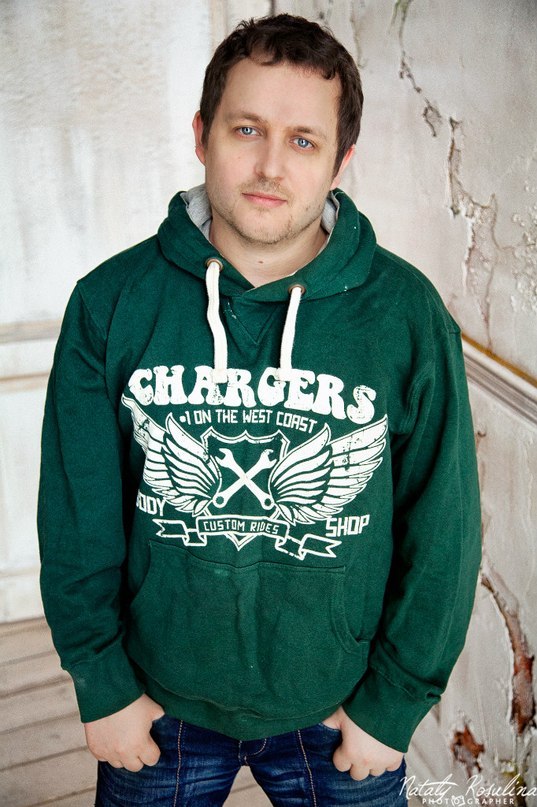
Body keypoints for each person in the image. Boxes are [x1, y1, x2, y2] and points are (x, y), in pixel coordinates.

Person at [38, 13, 481, 806]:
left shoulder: (404, 315)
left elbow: (442, 529)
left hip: (340, 708)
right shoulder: (111, 303)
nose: (270, 165)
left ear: (341, 159)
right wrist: (100, 682)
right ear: (201, 134)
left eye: (303, 140)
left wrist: (392, 703)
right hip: (157, 700)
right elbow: (78, 515)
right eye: (246, 129)